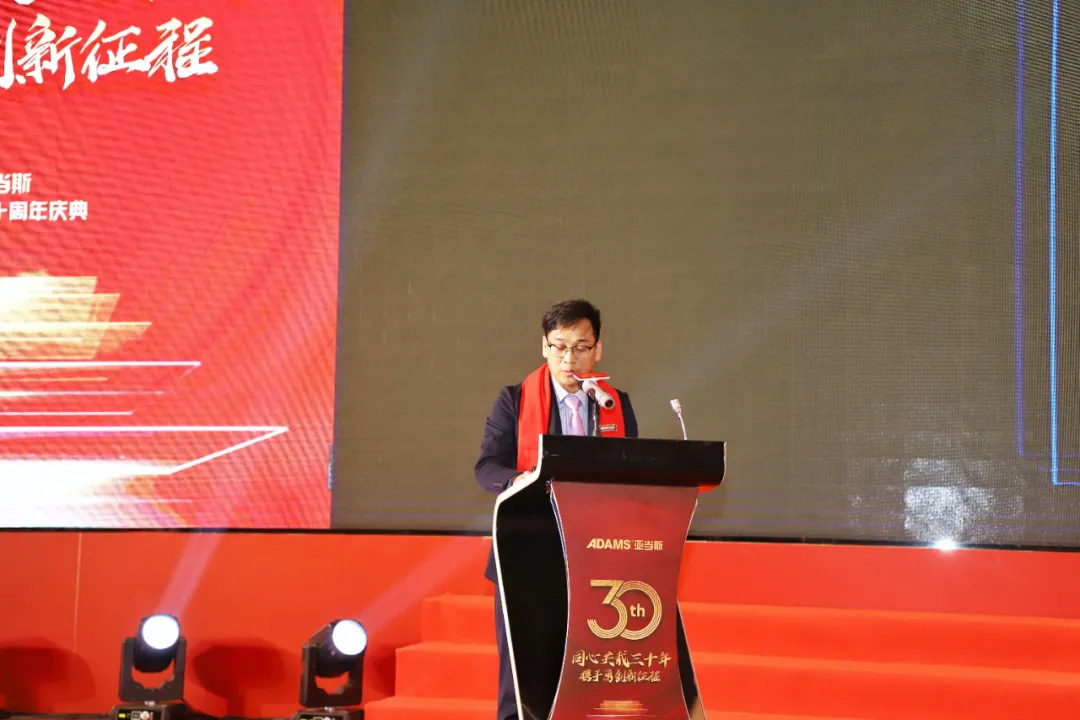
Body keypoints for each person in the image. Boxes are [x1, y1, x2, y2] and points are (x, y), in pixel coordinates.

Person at [475, 298, 638, 720]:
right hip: (525, 552)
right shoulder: (514, 400)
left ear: (598, 349)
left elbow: (633, 475)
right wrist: (521, 481)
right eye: (559, 347)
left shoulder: (615, 404)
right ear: (544, 346)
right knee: (522, 677)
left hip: (594, 556)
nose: (569, 359)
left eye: (581, 347)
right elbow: (487, 468)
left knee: (586, 670)